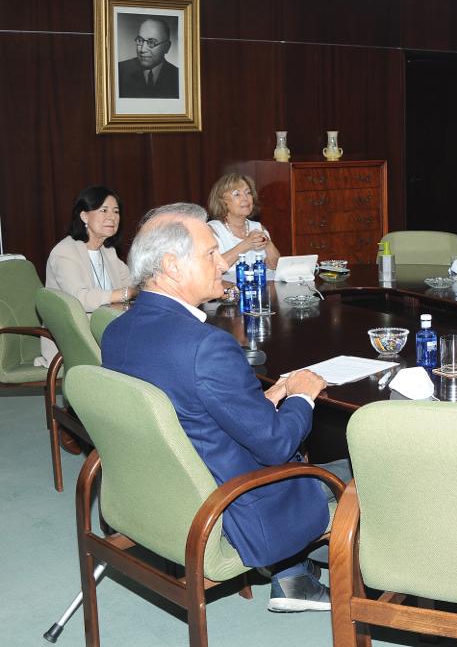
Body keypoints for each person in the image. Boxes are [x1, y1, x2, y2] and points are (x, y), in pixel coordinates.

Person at [102, 202, 339, 612]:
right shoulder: (206, 347)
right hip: (232, 506)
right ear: (173, 266)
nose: (223, 261)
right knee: (359, 472)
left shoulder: (117, 330)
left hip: (163, 491)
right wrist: (301, 393)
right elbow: (276, 446)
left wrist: (261, 399)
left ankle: (294, 575)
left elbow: (184, 408)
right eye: (210, 253)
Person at [37, 185, 138, 368]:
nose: (112, 217)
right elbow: (80, 298)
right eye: (103, 210)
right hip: (77, 339)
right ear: (84, 216)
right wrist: (124, 294)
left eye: (116, 211)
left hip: (109, 330)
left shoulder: (108, 252)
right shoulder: (64, 252)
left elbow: (133, 283)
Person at [207, 173, 281, 280]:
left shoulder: (258, 227)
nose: (245, 198)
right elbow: (213, 268)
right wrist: (245, 245)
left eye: (248, 193)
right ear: (222, 201)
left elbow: (275, 266)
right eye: (237, 194)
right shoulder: (212, 230)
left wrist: (268, 244)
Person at [117, 18, 179, 99]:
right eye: (140, 40)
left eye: (151, 42)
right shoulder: (119, 70)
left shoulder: (178, 76)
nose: (142, 49)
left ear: (166, 47)